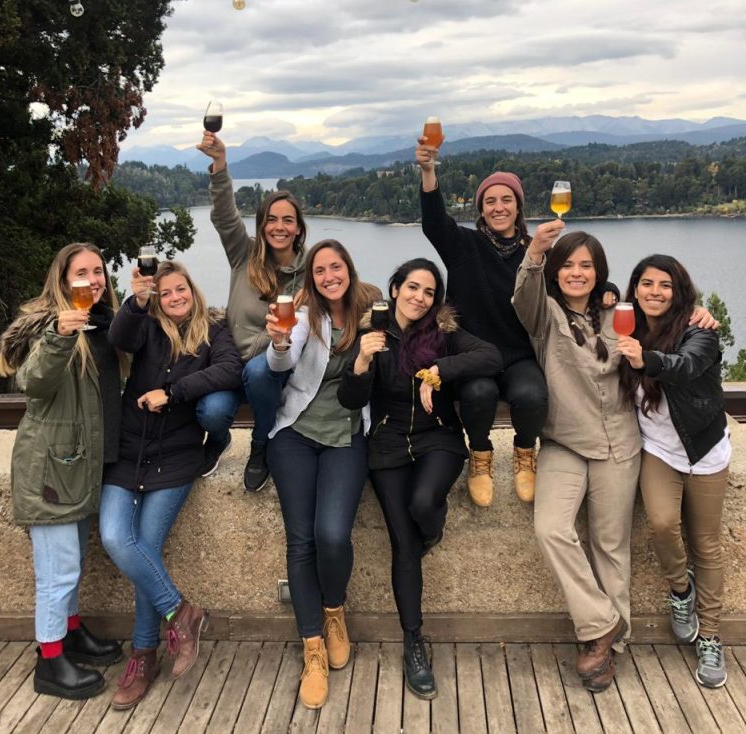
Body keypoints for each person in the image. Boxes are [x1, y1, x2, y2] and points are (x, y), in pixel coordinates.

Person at [338, 258, 503, 700]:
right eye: (412, 287)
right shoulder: (372, 332)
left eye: (429, 292)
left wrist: (440, 371)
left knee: (424, 505)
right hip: (388, 445)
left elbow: (491, 355)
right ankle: (414, 641)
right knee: (403, 545)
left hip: (438, 439)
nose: (419, 298)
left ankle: (434, 528)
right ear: (394, 289)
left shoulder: (444, 334)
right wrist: (361, 361)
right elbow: (349, 398)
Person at [100, 260, 242, 709]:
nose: (175, 297)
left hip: (176, 457)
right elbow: (118, 338)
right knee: (114, 537)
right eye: (166, 293)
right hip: (127, 454)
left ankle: (143, 655)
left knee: (144, 544)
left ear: (192, 290)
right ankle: (182, 614)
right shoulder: (146, 328)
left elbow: (230, 371)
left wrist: (174, 392)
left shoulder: (214, 328)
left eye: (181, 289)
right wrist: (136, 302)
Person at [512, 226, 641, 692]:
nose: (577, 273)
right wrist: (534, 254)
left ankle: (604, 650)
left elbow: (669, 316)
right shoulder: (544, 314)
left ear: (599, 271)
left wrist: (702, 315)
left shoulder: (619, 312)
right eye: (567, 264)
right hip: (565, 441)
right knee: (551, 527)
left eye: (586, 265)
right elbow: (523, 295)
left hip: (620, 443)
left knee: (610, 545)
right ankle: (602, 623)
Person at [0, 243, 126, 700]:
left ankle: (69, 632)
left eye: (99, 271)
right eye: (82, 272)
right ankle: (49, 662)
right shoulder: (48, 325)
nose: (93, 279)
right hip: (50, 466)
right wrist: (59, 334)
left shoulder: (100, 325)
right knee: (58, 571)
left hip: (77, 464)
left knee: (72, 562)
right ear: (62, 279)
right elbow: (32, 382)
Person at [265, 240, 377, 710]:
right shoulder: (304, 315)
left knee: (332, 535)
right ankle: (312, 646)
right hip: (296, 432)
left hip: (348, 433)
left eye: (336, 267)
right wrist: (277, 341)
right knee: (302, 541)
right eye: (321, 269)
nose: (330, 275)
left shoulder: (372, 312)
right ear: (311, 277)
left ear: (349, 270)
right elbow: (281, 363)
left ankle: (335, 610)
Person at [617, 254, 730, 688]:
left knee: (706, 544)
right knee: (662, 525)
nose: (654, 292)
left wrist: (647, 360)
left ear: (679, 290)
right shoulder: (629, 324)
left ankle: (712, 637)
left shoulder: (700, 329)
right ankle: (681, 591)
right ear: (635, 289)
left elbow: (685, 367)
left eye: (665, 285)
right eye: (646, 284)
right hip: (660, 450)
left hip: (704, 448)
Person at [415, 146, 548, 507]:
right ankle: (480, 455)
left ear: (519, 207)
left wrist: (609, 294)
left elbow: (574, 280)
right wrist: (429, 172)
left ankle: (524, 452)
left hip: (518, 353)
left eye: (507, 199)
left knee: (532, 396)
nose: (499, 207)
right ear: (481, 209)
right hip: (472, 351)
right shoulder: (464, 245)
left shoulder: (534, 252)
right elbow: (433, 222)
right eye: (490, 201)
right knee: (477, 395)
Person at [197, 131, 307, 491]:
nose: (279, 226)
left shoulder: (311, 271)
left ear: (298, 229)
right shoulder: (244, 254)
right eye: (271, 219)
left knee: (261, 372)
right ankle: (218, 440)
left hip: (275, 373)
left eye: (287, 220)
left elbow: (348, 283)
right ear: (262, 224)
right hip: (231, 366)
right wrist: (220, 166)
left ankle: (260, 446)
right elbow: (225, 216)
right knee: (212, 413)